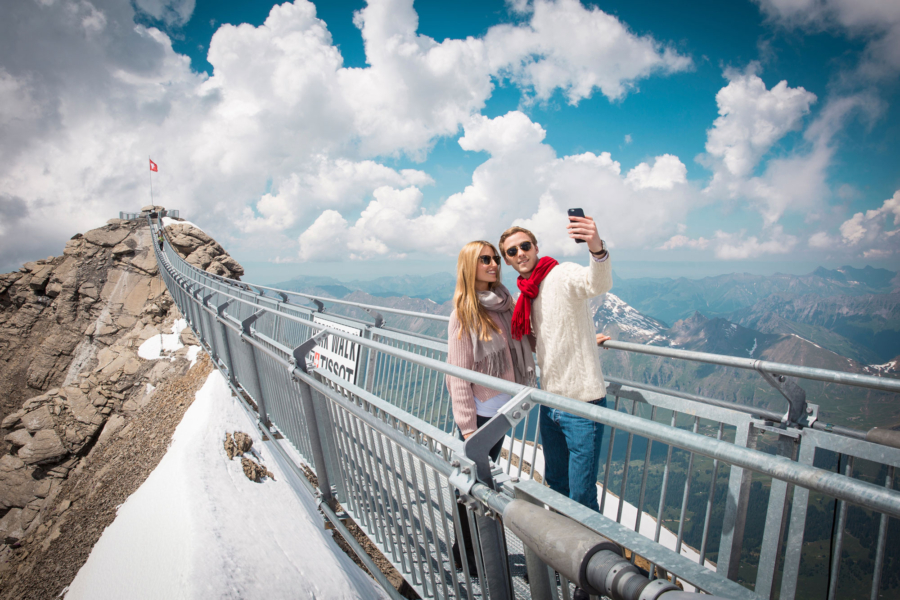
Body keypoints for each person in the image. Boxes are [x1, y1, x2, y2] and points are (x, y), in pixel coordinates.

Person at [499, 215, 612, 513]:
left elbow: (596, 283)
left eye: (525, 246)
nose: (520, 253)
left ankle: (588, 555)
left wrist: (596, 248)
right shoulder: (526, 294)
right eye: (512, 251)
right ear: (508, 262)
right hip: (549, 402)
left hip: (582, 403)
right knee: (557, 484)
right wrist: (585, 338)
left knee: (582, 495)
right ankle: (565, 552)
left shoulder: (561, 275)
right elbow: (539, 339)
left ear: (536, 248)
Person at [445, 240, 536, 574]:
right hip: (481, 417)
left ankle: (471, 552)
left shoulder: (505, 304)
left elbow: (526, 339)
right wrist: (468, 428)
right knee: (471, 486)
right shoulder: (464, 313)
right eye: (485, 259)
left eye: (495, 258)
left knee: (480, 484)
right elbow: (458, 376)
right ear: (470, 266)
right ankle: (467, 556)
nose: (494, 264)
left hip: (503, 411)